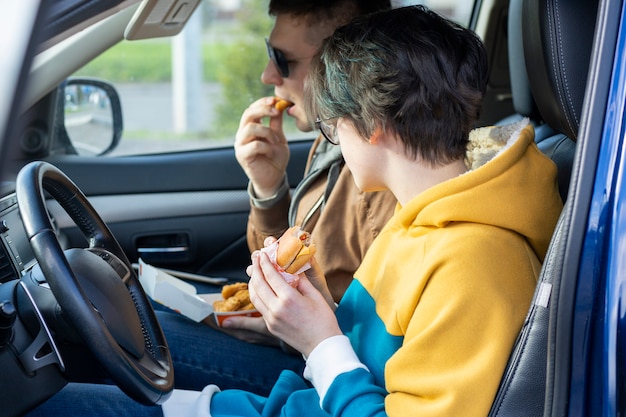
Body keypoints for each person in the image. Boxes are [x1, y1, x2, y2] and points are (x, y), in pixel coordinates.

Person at [26, 5, 564, 416]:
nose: (332, 140)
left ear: (372, 125)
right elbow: (351, 368)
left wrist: (320, 340)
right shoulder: (417, 222)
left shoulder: (475, 264)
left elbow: (351, 370)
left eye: (335, 126)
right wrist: (314, 314)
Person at [153, 0, 396, 396]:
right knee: (140, 314)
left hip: (316, 375)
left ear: (343, 66)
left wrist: (285, 334)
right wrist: (269, 189)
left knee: (133, 334)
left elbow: (378, 354)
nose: (268, 75)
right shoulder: (329, 141)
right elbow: (284, 259)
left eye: (282, 61)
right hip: (301, 351)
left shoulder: (381, 180)